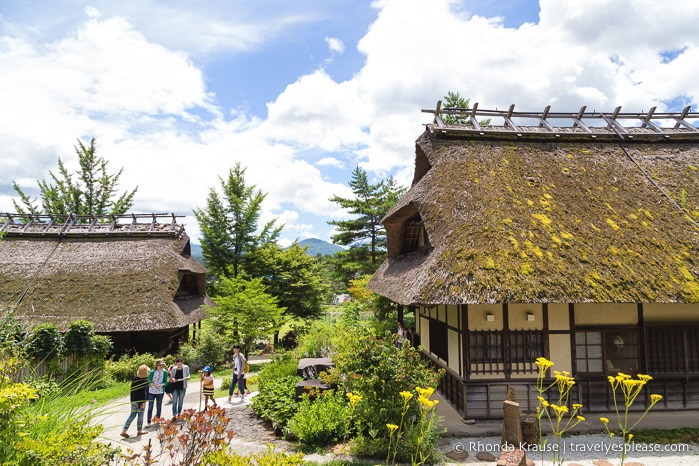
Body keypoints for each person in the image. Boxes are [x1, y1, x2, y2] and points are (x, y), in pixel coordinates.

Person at [120, 364, 150, 438]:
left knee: (132, 415)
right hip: (141, 401)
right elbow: (144, 393)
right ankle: (139, 431)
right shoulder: (145, 380)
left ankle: (124, 430)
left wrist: (132, 400)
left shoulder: (134, 379)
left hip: (134, 400)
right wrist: (143, 402)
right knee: (140, 416)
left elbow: (132, 391)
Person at [146, 358, 168, 427]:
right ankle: (148, 421)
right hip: (152, 391)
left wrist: (163, 384)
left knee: (158, 406)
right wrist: (152, 384)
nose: (161, 366)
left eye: (162, 365)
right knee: (150, 407)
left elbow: (165, 381)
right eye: (159, 365)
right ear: (156, 365)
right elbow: (149, 381)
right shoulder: (152, 372)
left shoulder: (165, 372)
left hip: (160, 391)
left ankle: (157, 419)